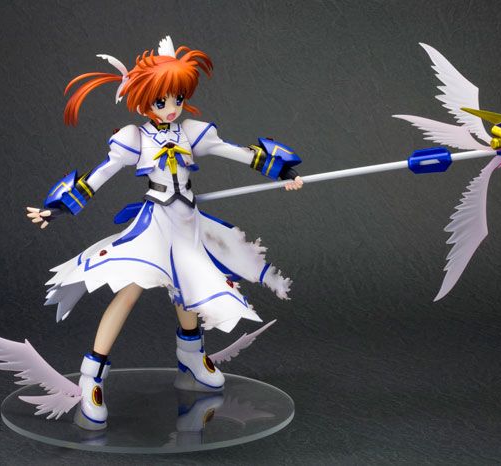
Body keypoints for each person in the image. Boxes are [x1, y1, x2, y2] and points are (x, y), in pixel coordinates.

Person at [26, 34, 303, 430]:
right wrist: (56, 209)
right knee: (130, 290)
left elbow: (236, 152)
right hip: (155, 225)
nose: (171, 108)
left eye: (177, 99)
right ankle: (92, 377)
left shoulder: (192, 132)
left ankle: (191, 361)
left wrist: (283, 173)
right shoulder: (134, 139)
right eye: (161, 101)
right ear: (143, 101)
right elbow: (98, 176)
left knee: (187, 285)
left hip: (187, 222)